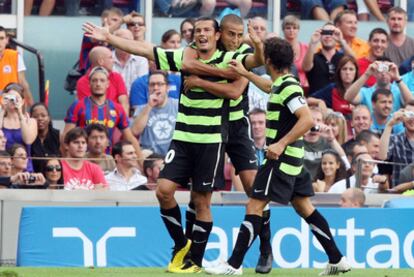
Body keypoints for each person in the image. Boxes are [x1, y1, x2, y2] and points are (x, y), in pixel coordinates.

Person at [82, 15, 264, 273]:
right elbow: (146, 49)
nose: (201, 34)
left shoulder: (229, 59)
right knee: (163, 191)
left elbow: (257, 61)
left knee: (202, 202)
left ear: (216, 35)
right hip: (182, 139)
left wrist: (256, 43)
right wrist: (110, 38)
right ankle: (181, 245)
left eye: (206, 31)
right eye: (198, 30)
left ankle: (195, 261)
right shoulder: (184, 56)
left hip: (210, 141)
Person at [206, 36, 350, 276]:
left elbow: (306, 119)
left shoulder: (288, 87)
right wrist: (246, 73)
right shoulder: (285, 83)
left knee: (254, 205)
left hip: (281, 160)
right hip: (294, 161)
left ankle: (233, 265)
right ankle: (337, 259)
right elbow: (269, 87)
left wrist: (281, 143)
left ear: (269, 61)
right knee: (305, 208)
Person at [181, 15, 273, 273]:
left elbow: (234, 91)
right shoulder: (203, 48)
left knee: (254, 190)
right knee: (198, 193)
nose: (234, 39)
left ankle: (265, 249)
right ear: (219, 32)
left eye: (238, 34)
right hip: (208, 127)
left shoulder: (243, 52)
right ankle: (190, 253)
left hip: (236, 127)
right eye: (230, 34)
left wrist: (199, 80)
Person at [63, 66, 142, 166]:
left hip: (107, 162)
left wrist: (142, 163)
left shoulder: (117, 108)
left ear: (108, 84)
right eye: (94, 80)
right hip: (82, 160)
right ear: (89, 84)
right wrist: (67, 164)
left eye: (102, 80)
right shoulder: (78, 106)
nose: (98, 84)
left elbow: (130, 138)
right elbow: (66, 137)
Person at [131, 70, 178, 156]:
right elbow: (135, 131)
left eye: (160, 84)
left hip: (174, 154)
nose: (155, 88)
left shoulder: (177, 105)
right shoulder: (142, 108)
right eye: (152, 84)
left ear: (167, 87)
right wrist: (149, 105)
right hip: (151, 156)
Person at [344, 59, 413, 114]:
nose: (383, 73)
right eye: (380, 69)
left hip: (395, 130)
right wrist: (367, 74)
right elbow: (348, 97)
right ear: (374, 73)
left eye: (386, 69)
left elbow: (411, 102)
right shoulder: (365, 92)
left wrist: (397, 77)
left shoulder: (399, 91)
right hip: (371, 130)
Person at [302, 23, 353, 95]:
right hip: (316, 101)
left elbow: (355, 62)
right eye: (325, 33)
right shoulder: (313, 57)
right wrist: (312, 43)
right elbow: (306, 67)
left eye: (332, 33)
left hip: (339, 100)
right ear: (320, 36)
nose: (328, 36)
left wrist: (342, 41)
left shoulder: (343, 58)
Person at [76, 46, 129, 113]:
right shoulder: (83, 82)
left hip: (117, 119)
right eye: (110, 58)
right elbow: (89, 109)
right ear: (100, 61)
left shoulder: (116, 77)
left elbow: (124, 103)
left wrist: (123, 122)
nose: (113, 61)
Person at [0, 83, 37, 172]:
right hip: (3, 168)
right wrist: (3, 109)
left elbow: (28, 140)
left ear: (23, 101)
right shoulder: (1, 119)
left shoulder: (30, 121)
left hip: (24, 168)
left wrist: (20, 113)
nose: (12, 101)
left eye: (16, 98)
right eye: (9, 98)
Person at [379, 101, 414, 187]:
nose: (412, 119)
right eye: (409, 114)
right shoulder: (395, 139)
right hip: (400, 194)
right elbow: (382, 156)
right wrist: (390, 124)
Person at [78, 7, 124, 72]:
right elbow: (96, 38)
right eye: (114, 20)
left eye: (120, 21)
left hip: (113, 75)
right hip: (89, 75)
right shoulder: (91, 33)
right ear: (104, 19)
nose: (119, 24)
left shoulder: (119, 38)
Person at [0, 26, 33, 105]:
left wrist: (31, 105)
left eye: (1, 38)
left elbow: (23, 82)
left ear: (7, 40)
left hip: (12, 106)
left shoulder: (15, 56)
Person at [112, 29, 149, 95]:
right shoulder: (107, 58)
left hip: (135, 100)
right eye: (121, 40)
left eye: (128, 41)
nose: (125, 44)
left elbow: (142, 86)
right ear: (114, 42)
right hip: (112, 102)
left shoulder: (141, 60)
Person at [29, 103, 60, 173]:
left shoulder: (58, 136)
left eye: (43, 115)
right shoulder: (28, 137)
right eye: (35, 116)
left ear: (49, 118)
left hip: (54, 176)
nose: (40, 118)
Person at [282, 15, 308, 90]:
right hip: (285, 87)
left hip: (304, 88)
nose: (291, 30)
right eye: (288, 28)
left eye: (294, 28)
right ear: (283, 30)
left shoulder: (306, 48)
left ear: (298, 30)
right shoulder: (279, 48)